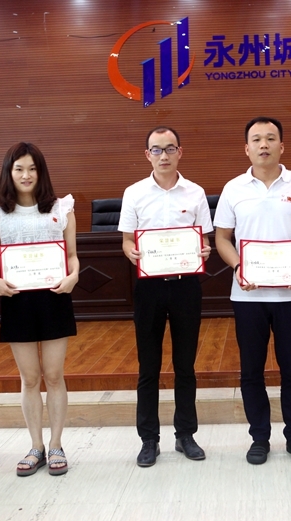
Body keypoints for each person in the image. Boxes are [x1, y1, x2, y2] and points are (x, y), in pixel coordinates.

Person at [214, 116, 291, 465]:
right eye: (256, 139)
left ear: (282, 145)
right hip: (248, 295)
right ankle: (259, 438)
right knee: (252, 370)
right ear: (246, 148)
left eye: (270, 138)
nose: (264, 144)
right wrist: (239, 267)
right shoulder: (234, 188)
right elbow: (222, 238)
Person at [119, 126, 213, 467]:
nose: (163, 155)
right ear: (147, 155)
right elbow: (127, 240)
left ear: (180, 152)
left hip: (186, 286)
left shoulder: (196, 193)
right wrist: (131, 252)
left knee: (185, 365)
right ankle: (149, 439)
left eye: (170, 148)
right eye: (156, 150)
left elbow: (205, 240)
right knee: (149, 366)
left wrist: (204, 250)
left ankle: (185, 435)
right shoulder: (134, 193)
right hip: (149, 288)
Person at [0, 142, 79, 477]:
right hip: (17, 301)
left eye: (32, 169)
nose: (26, 175)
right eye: (19, 169)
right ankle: (36, 446)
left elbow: (72, 255)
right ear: (8, 173)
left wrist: (74, 275)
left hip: (54, 297)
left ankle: (56, 444)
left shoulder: (62, 208)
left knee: (53, 375)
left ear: (41, 172)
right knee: (29, 378)